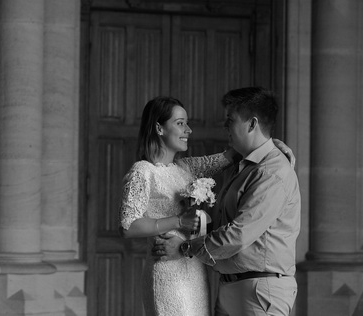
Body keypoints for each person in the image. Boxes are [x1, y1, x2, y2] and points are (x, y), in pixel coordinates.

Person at [119, 96, 295, 316]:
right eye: (180, 123)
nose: (189, 130)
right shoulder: (142, 171)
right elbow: (128, 226)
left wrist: (275, 144)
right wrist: (179, 221)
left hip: (193, 268)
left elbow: (235, 153)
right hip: (167, 268)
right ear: (159, 128)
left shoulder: (185, 167)